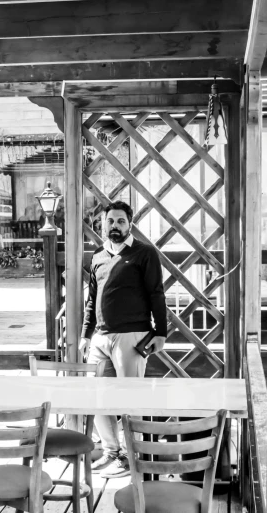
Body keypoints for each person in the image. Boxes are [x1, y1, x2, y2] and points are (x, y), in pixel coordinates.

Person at [80, 200, 167, 478]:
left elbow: (156, 294)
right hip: (100, 339)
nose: (114, 226)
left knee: (130, 399)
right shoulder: (97, 257)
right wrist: (85, 334)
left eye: (120, 221)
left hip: (131, 336)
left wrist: (161, 332)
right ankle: (111, 452)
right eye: (110, 221)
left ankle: (132, 456)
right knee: (98, 397)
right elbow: (92, 300)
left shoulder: (144, 253)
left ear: (129, 223)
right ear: (102, 224)